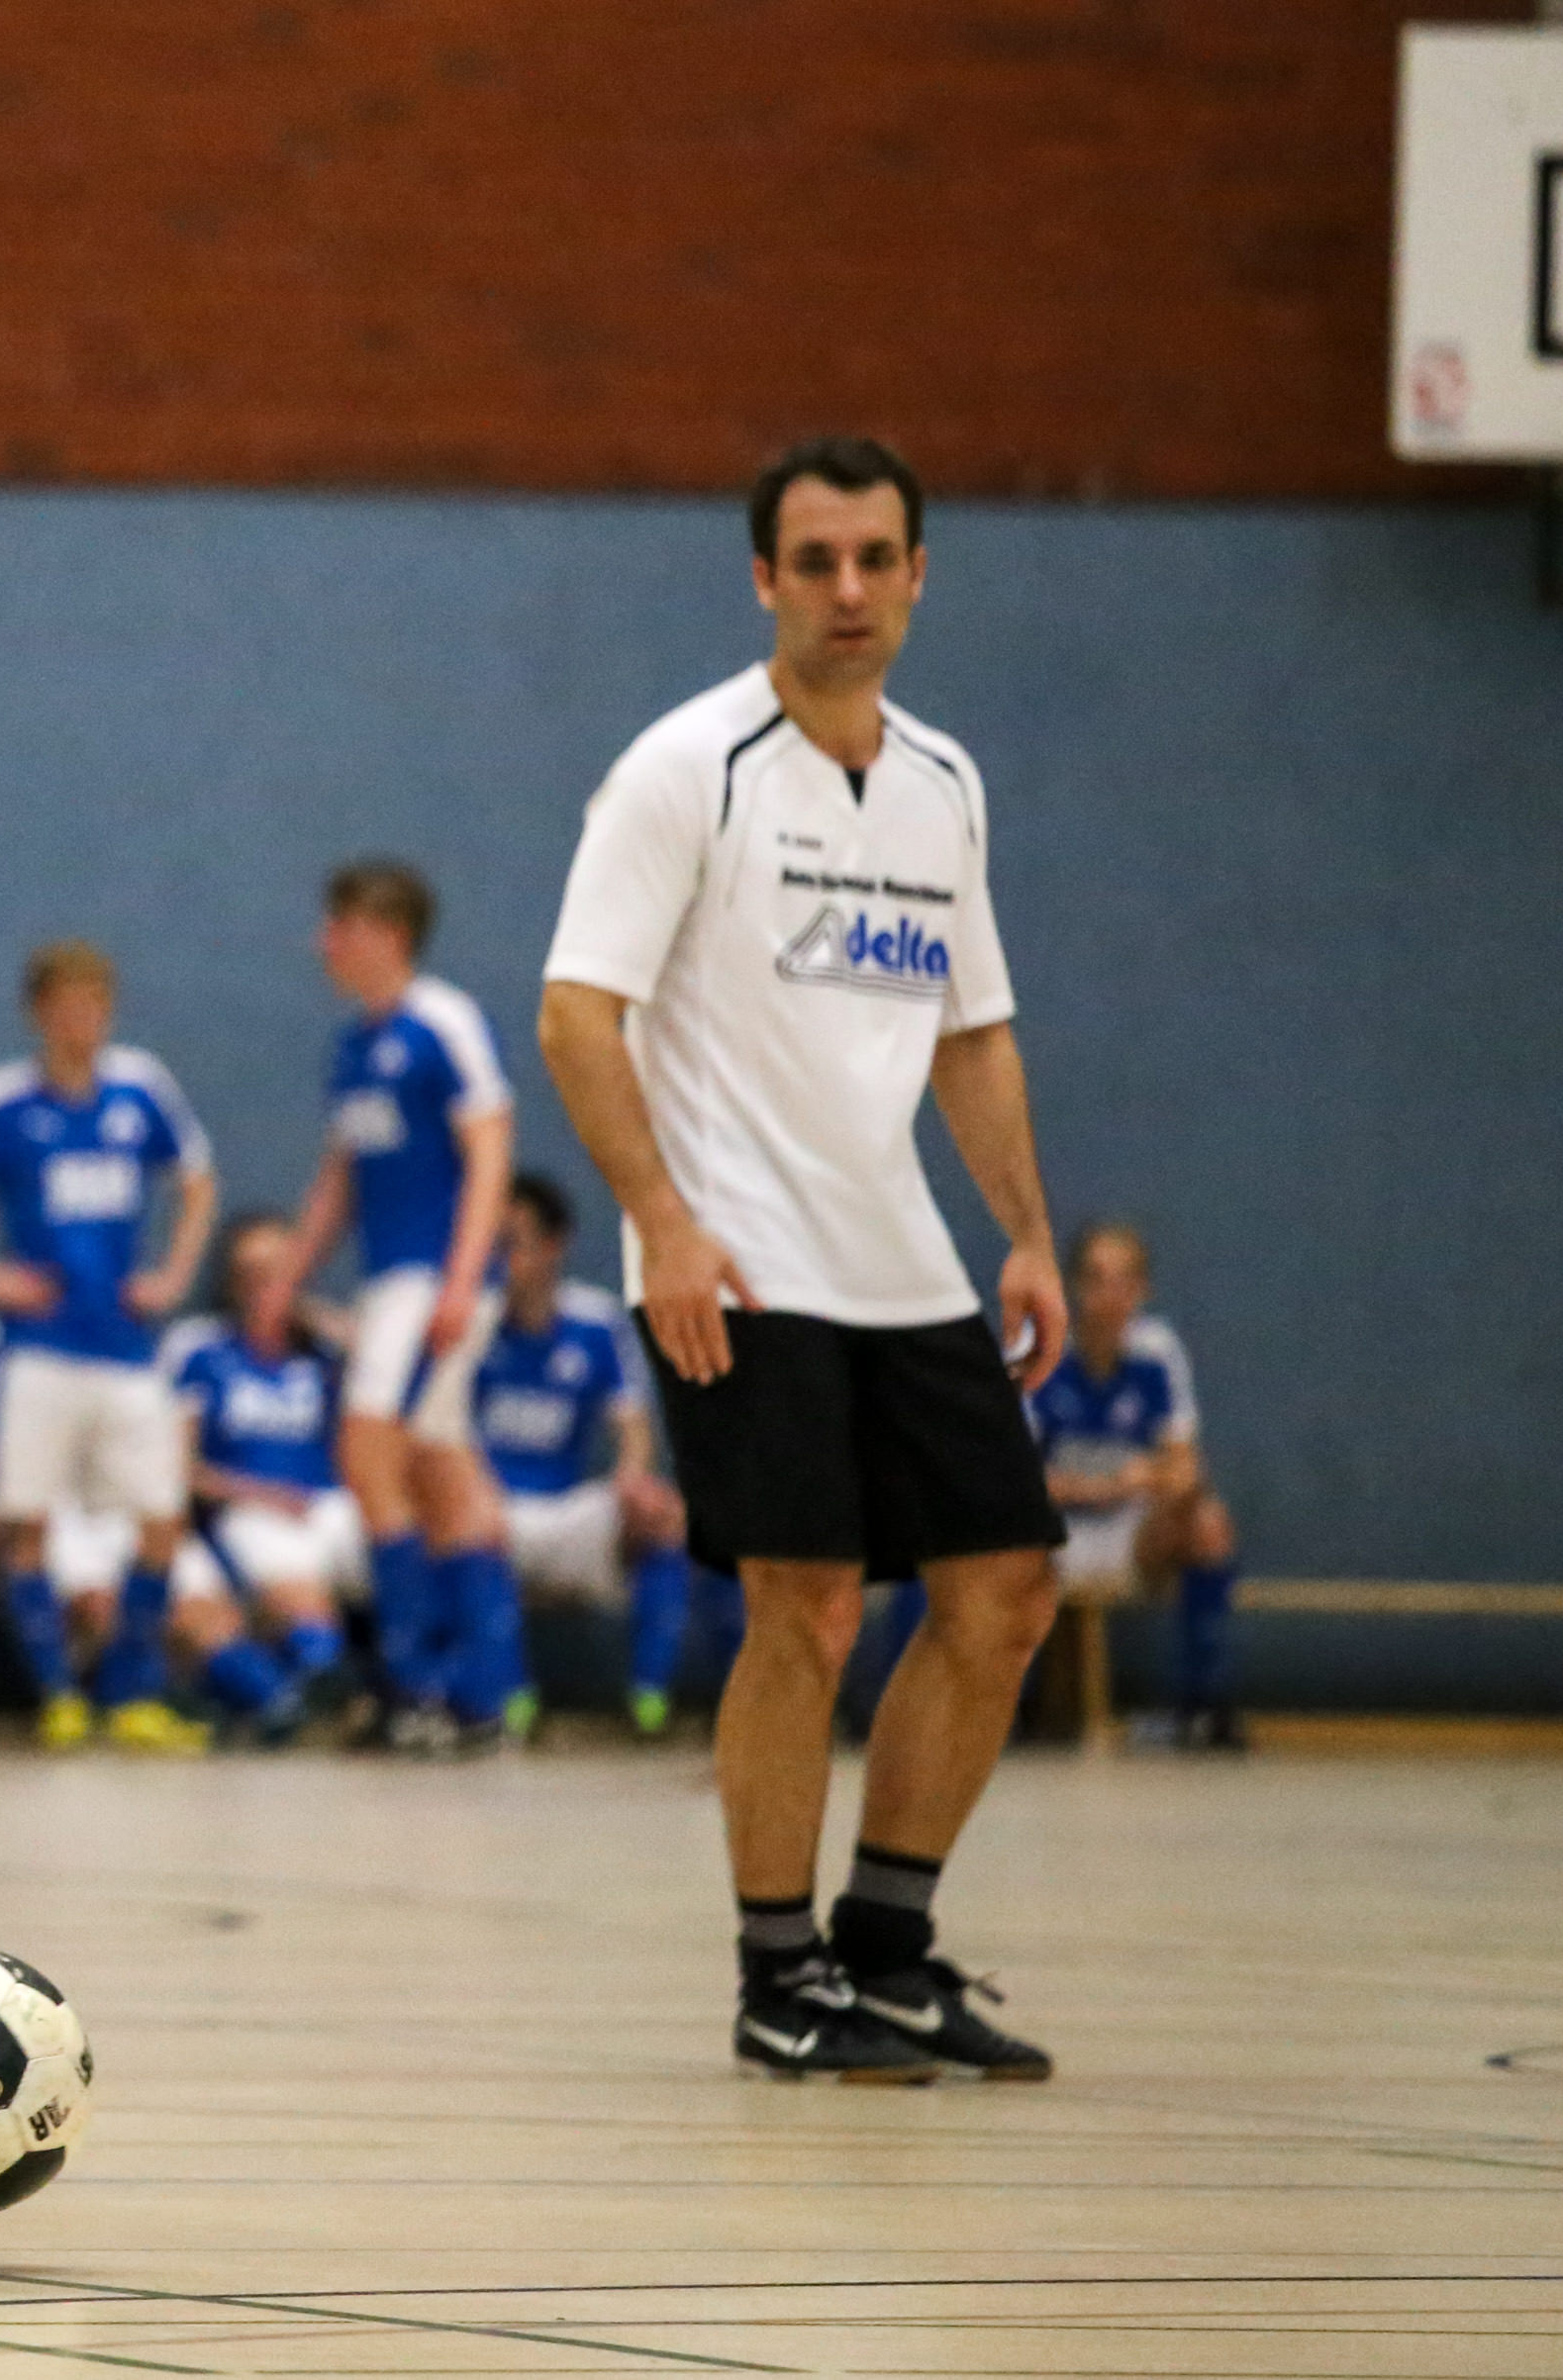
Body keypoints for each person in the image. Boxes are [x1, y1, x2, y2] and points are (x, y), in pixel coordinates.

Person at [538, 434, 1068, 2084]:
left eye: (874, 558)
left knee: (1004, 1590)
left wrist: (1025, 1232)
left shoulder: (943, 783)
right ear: (764, 578)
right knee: (810, 1608)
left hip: (898, 1255)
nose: (848, 589)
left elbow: (970, 1032)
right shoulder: (684, 768)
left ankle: (885, 1953)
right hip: (737, 1262)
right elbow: (575, 1015)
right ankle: (778, 1976)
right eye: (815, 560)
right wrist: (662, 1223)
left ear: (916, 575)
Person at [0, 942, 221, 1755]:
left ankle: (131, 1691)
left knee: (160, 1518)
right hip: (38, 1350)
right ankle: (58, 1696)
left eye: (95, 1004)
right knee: (28, 1523)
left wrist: (173, 1273)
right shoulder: (1, 1102)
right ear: (37, 1012)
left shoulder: (140, 1089)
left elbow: (196, 1178)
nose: (82, 1021)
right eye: (66, 1005)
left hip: (124, 1347)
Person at [274, 862, 525, 1754]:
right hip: (392, 1278)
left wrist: (462, 1278)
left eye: (338, 926)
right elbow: (340, 1175)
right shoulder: (354, 1045)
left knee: (365, 1449)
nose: (323, 943)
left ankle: (414, 1684)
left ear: (386, 931)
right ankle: (484, 1694)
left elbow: (489, 1150)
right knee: (436, 1467)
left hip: (430, 1278)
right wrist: (287, 1273)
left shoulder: (441, 1021)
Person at [468, 1174, 706, 1741]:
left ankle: (648, 1700)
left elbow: (632, 1423)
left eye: (513, 1243)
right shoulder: (469, 1318)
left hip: (568, 1511)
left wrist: (631, 1481)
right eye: (491, 1245)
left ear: (554, 1245)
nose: (501, 1261)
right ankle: (510, 1705)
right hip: (488, 1513)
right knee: (462, 1526)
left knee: (662, 1518)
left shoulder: (594, 1323)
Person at [1032, 1221, 1239, 1749]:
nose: (1112, 1295)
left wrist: (1154, 1480)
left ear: (1143, 1289)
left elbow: (1185, 1470)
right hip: (1053, 1538)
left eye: (1125, 1280)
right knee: (987, 1538)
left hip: (1132, 1534)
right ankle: (1015, 1713)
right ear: (1074, 1286)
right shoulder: (1042, 1351)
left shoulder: (1157, 1351)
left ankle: (1202, 1711)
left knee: (1208, 1524)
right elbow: (1014, 1480)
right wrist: (1112, 1484)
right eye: (1097, 1279)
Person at [160, 1214, 361, 1741]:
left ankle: (434, 1692)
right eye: (250, 1273)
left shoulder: (322, 1353)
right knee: (287, 1577)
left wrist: (322, 1322)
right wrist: (262, 1493)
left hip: (333, 1506)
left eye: (279, 1270)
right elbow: (174, 1467)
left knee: (411, 1552)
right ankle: (302, 1687)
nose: (265, 1286)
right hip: (250, 1511)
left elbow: (395, 1385)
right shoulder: (203, 1350)